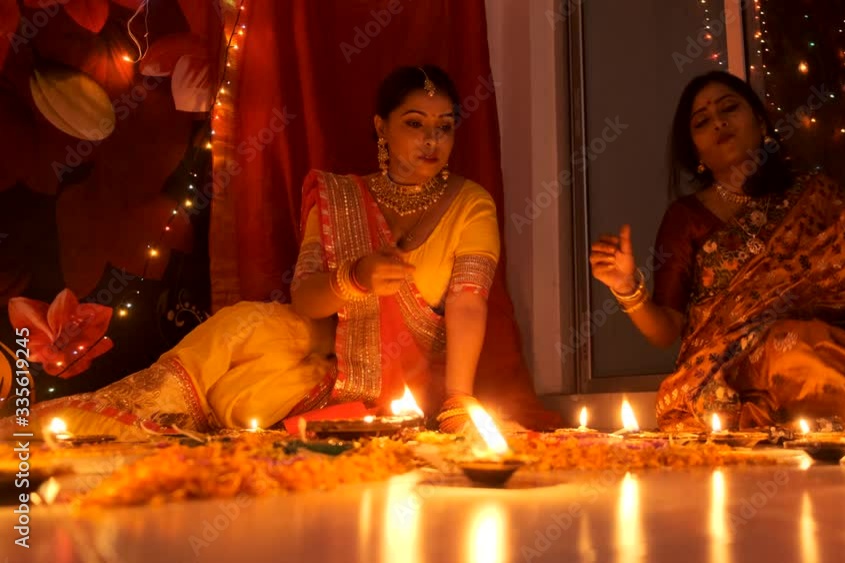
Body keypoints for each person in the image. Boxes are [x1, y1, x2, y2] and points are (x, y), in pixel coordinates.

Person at [6, 65, 513, 438]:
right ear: (381, 127)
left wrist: (457, 401)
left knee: (238, 402)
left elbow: (469, 303)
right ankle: (75, 425)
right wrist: (354, 277)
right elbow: (305, 300)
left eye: (444, 126)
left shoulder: (469, 204)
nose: (432, 140)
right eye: (416, 123)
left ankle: (107, 433)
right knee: (235, 327)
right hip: (308, 337)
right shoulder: (339, 194)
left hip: (391, 376)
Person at [590, 70, 845, 435]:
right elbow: (666, 331)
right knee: (798, 345)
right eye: (702, 122)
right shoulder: (686, 217)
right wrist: (627, 287)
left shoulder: (814, 194)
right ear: (695, 152)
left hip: (832, 334)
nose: (718, 122)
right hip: (731, 367)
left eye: (729, 108)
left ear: (761, 121)